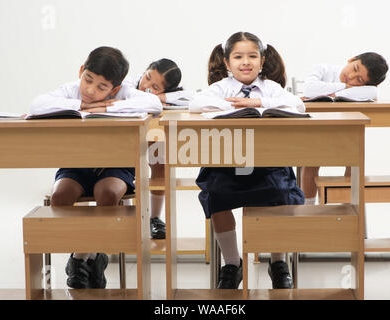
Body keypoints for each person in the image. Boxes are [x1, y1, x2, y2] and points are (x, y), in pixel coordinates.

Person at [29, 46, 162, 289]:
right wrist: (81, 105)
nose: (91, 90)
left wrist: (106, 108)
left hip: (115, 166)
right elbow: (37, 105)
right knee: (60, 197)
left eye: (102, 87)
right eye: (88, 80)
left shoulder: (124, 94)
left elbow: (154, 104)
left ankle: (80, 259)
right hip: (76, 164)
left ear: (116, 88)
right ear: (81, 71)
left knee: (107, 194)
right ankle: (93, 256)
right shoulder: (70, 90)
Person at [189, 31, 305, 289]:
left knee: (280, 192)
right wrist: (232, 106)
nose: (246, 62)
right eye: (238, 56)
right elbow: (196, 103)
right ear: (227, 63)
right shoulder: (222, 87)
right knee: (217, 194)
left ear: (262, 61)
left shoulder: (271, 87)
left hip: (267, 162)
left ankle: (278, 262)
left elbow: (297, 105)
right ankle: (232, 264)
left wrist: (257, 101)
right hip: (227, 163)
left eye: (252, 56)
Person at [301, 52, 388, 205]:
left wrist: (330, 91)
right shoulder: (323, 69)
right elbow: (309, 89)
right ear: (351, 59)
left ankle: (350, 209)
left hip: (345, 131)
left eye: (359, 80)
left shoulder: (369, 89)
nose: (352, 77)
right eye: (354, 68)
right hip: (316, 129)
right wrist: (344, 87)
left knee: (354, 156)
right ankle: (308, 209)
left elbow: (373, 92)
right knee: (311, 160)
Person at [125, 59, 194, 239]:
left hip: (150, 128)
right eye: (147, 77)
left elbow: (192, 97)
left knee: (159, 161)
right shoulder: (127, 82)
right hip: (123, 132)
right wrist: (153, 96)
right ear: (146, 68)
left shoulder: (171, 95)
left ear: (165, 90)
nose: (145, 85)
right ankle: (123, 218)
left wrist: (161, 98)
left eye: (155, 87)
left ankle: (154, 217)